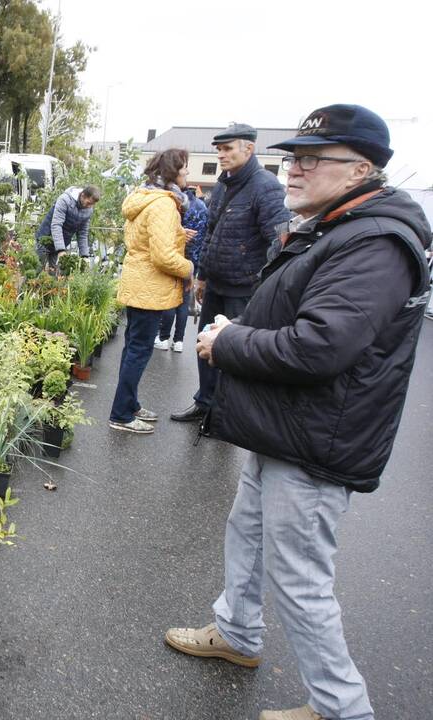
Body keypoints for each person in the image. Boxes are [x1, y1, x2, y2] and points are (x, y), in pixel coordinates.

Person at [165, 105, 432, 720]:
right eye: (293, 158)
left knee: (300, 579)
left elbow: (320, 347)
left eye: (314, 159)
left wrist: (227, 340)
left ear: (362, 168)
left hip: (317, 438)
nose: (295, 170)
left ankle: (341, 707)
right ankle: (237, 633)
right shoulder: (338, 227)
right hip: (288, 426)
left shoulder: (375, 243)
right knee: (248, 532)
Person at [170, 123, 290, 423]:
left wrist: (265, 284)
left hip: (244, 287)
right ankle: (205, 403)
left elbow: (279, 239)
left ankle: (226, 413)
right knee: (205, 342)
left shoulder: (266, 186)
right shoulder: (223, 184)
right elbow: (211, 232)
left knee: (233, 351)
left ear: (248, 148)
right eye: (218, 150)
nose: (221, 155)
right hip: (216, 284)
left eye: (227, 149)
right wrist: (202, 275)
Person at [107, 149, 194, 434]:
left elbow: (144, 241)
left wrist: (179, 234)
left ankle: (129, 403)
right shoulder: (164, 205)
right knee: (139, 350)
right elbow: (163, 256)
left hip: (138, 282)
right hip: (150, 286)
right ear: (173, 173)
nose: (187, 174)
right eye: (185, 169)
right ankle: (121, 414)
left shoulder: (144, 197)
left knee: (133, 346)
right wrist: (189, 268)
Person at [155, 185, 208, 352]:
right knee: (184, 302)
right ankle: (179, 341)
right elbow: (205, 237)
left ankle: (163, 338)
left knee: (171, 299)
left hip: (176, 258)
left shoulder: (178, 205)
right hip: (193, 262)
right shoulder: (202, 207)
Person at [35, 184, 101, 269]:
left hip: (61, 243)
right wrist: (61, 250)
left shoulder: (88, 210)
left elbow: (82, 233)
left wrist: (84, 255)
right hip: (45, 238)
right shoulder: (65, 200)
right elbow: (56, 225)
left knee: (55, 273)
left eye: (92, 204)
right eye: (88, 203)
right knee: (39, 269)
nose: (90, 206)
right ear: (83, 195)